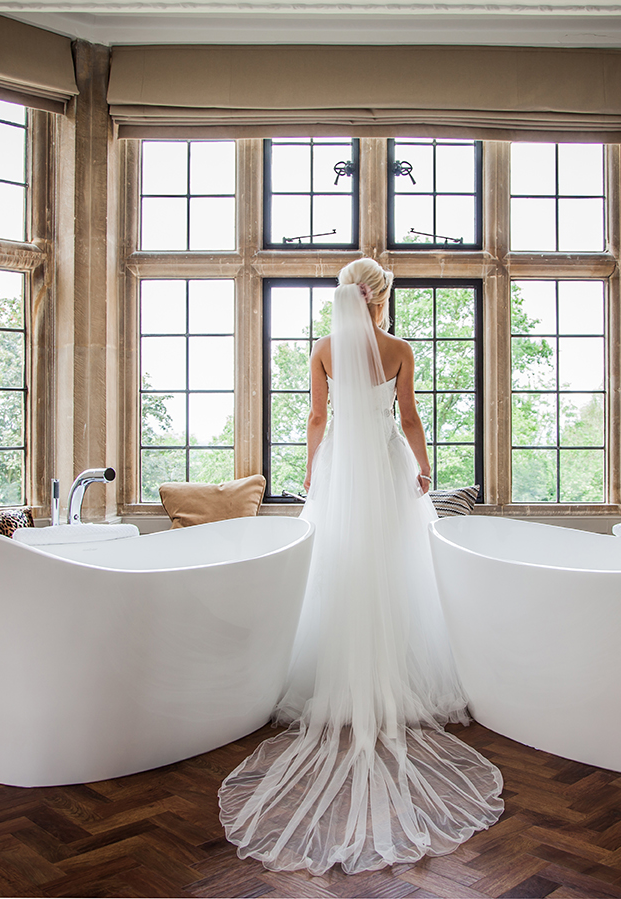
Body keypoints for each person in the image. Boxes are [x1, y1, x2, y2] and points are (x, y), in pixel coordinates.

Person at [218, 258, 503, 875]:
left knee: (340, 570)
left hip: (345, 471)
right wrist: (424, 469)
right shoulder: (397, 347)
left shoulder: (323, 349)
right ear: (380, 298)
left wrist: (315, 471)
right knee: (399, 572)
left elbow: (317, 418)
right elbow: (408, 420)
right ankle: (397, 677)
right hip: (386, 466)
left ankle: (340, 677)